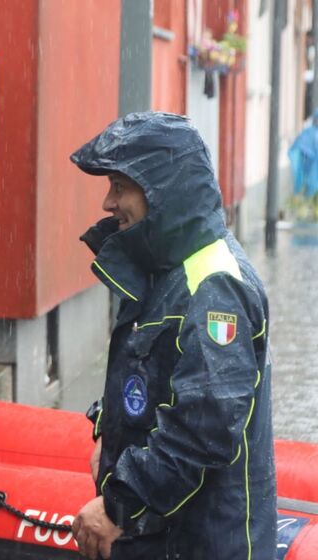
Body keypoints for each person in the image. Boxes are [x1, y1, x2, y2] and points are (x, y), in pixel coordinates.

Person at [69, 112, 275, 559]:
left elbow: (204, 428)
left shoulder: (216, 285)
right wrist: (111, 432)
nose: (107, 203)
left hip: (204, 544)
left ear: (161, 190)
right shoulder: (161, 267)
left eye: (120, 187)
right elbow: (151, 376)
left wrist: (118, 504)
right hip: (158, 536)